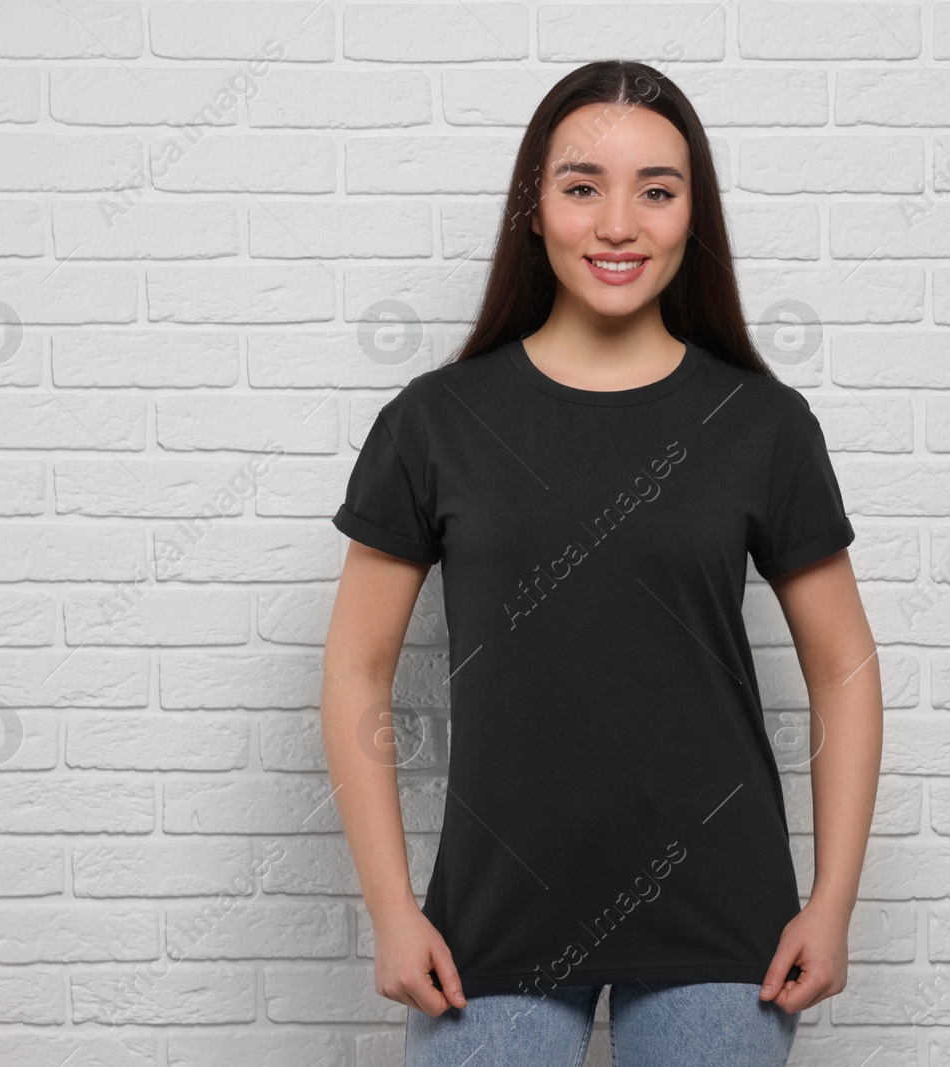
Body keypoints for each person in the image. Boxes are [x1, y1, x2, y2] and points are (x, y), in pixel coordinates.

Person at [319, 58, 883, 1067]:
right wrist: (391, 908)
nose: (617, 222)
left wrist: (831, 900)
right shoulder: (435, 422)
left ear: (691, 215)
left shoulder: (761, 424)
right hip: (487, 928)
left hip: (721, 926)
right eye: (582, 187)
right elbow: (355, 666)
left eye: (656, 191)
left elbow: (842, 663)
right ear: (534, 209)